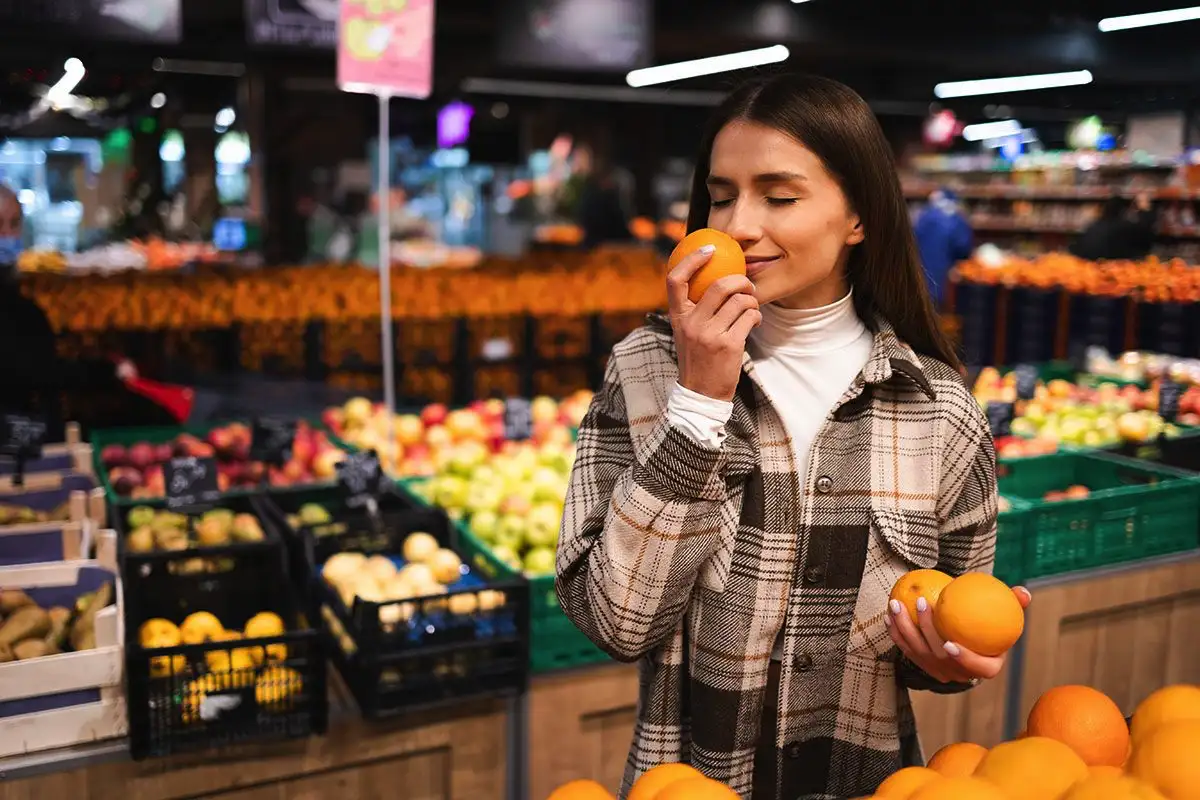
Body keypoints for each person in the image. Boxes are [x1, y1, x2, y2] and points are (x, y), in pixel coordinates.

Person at [555, 74, 1031, 800]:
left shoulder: (938, 408)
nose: (739, 224)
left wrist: (948, 659)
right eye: (721, 195)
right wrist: (699, 401)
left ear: (860, 217)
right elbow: (618, 622)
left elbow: (949, 628)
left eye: (779, 196)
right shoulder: (647, 369)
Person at [0, 185, 135, 436]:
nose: (7, 235)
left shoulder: (22, 303)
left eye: (14, 224)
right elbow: (32, 369)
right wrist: (106, 372)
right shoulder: (20, 308)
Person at [913, 187, 973, 308]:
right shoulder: (956, 219)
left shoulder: (923, 217)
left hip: (919, 276)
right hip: (943, 277)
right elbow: (963, 248)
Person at [1069, 193, 1157, 262]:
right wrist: (1145, 209)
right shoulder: (1124, 227)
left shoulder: (1093, 226)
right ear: (1123, 212)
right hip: (1114, 274)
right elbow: (1147, 237)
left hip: (1089, 273)